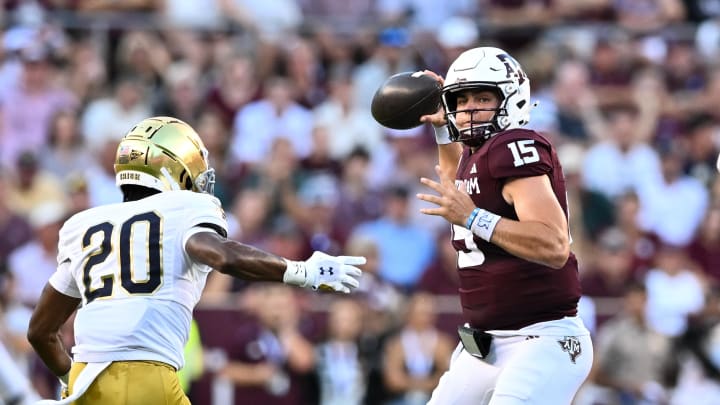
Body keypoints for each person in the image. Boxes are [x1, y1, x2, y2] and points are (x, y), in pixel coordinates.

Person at [26, 116, 365, 405]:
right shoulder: (185, 209)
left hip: (86, 378)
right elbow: (218, 253)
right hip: (149, 377)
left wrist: (72, 381)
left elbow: (41, 331)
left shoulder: (83, 226)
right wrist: (302, 271)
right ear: (174, 168)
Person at [416, 47, 593, 404]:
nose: (468, 109)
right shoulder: (479, 153)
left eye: (482, 98)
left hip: (542, 340)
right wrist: (442, 134)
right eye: (461, 100)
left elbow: (554, 246)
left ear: (512, 97)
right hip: (484, 347)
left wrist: (473, 217)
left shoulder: (514, 144)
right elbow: (461, 185)